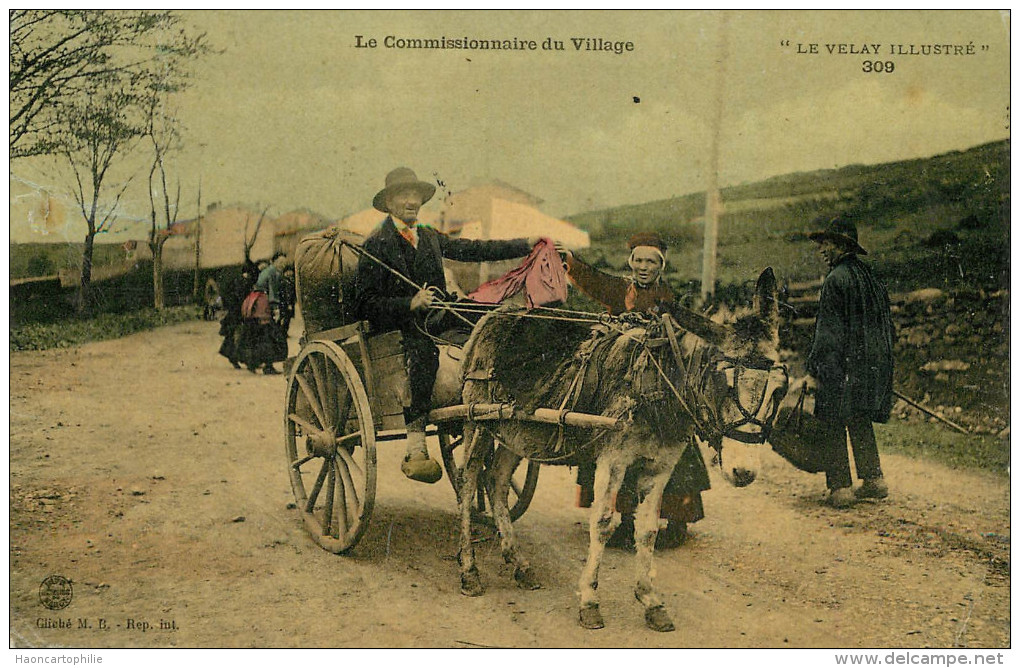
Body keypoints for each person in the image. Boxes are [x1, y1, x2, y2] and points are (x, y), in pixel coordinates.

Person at [354, 167, 541, 484]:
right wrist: (408, 304)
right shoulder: (376, 244)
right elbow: (364, 303)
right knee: (424, 354)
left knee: (489, 320)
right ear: (389, 202)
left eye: (416, 195)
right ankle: (416, 444)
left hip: (437, 315)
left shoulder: (428, 236)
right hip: (399, 327)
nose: (412, 201)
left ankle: (497, 403)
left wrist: (525, 243)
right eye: (403, 195)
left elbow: (474, 249)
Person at [563, 231, 710, 549]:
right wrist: (570, 261)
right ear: (631, 263)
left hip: (659, 380)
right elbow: (591, 278)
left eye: (651, 261)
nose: (644, 267)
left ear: (661, 265)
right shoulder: (619, 289)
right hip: (622, 377)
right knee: (613, 437)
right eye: (639, 260)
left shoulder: (670, 297)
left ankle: (676, 518)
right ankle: (624, 519)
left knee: (674, 437)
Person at [806, 214, 894, 509]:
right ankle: (874, 480)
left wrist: (813, 369)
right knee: (859, 417)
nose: (821, 251)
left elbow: (828, 333)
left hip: (839, 365)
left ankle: (840, 488)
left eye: (826, 244)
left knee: (831, 419)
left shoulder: (835, 280)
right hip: (870, 367)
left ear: (841, 246)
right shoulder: (871, 278)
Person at [239, 252, 290, 375]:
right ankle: (267, 365)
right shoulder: (273, 273)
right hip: (263, 303)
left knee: (261, 334)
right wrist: (276, 308)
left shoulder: (269, 271)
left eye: (284, 263)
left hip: (256, 302)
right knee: (268, 334)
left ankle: (255, 363)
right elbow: (272, 292)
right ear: (274, 262)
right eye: (280, 262)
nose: (282, 265)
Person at [218, 260, 258, 369]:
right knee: (240, 336)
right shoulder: (244, 283)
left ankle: (233, 357)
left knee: (233, 335)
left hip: (235, 312)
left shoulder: (239, 280)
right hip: (239, 313)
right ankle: (241, 358)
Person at [279, 267, 296, 337]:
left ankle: (284, 332)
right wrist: (289, 304)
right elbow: (287, 293)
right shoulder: (285, 281)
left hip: (287, 302)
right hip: (285, 303)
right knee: (285, 318)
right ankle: (283, 332)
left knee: (287, 318)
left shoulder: (289, 280)